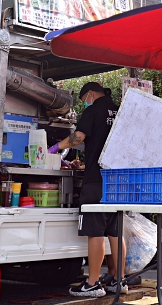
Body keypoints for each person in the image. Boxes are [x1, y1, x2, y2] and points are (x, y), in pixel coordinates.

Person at [50, 82, 125, 297]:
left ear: (90, 94)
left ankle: (92, 283)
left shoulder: (94, 110)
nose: (85, 104)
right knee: (116, 231)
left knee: (95, 232)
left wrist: (55, 148)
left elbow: (79, 137)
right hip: (117, 179)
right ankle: (119, 281)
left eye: (84, 100)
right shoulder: (117, 109)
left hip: (96, 179)